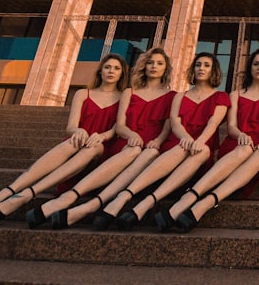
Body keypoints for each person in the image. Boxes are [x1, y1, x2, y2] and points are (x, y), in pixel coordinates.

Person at [0, 54, 127, 225]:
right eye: (107, 67)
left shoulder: (124, 97)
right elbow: (70, 126)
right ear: (100, 71)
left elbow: (116, 130)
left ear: (122, 73)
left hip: (101, 151)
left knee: (92, 147)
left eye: (116, 68)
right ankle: (4, 195)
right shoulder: (83, 93)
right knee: (71, 141)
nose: (111, 71)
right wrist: (79, 131)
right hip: (77, 146)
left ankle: (27, 194)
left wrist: (100, 136)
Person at [25, 48, 176, 229]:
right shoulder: (130, 92)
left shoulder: (173, 96)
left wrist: (157, 142)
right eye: (151, 62)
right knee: (133, 150)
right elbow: (120, 126)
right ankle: (73, 196)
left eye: (160, 63)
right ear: (144, 66)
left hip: (151, 145)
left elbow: (167, 129)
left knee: (149, 153)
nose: (154, 66)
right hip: (126, 142)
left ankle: (84, 202)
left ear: (165, 69)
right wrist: (132, 135)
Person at [155, 49, 259, 232]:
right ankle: (190, 199)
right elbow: (232, 127)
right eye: (256, 63)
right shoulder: (235, 94)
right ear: (249, 67)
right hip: (235, 146)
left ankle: (203, 204)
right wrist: (241, 135)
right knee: (244, 149)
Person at [91, 52, 230, 231]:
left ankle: (146, 202)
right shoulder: (179, 96)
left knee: (201, 150)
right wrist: (186, 138)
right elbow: (175, 122)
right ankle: (125, 198)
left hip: (199, 152)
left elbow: (213, 123)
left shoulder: (221, 97)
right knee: (180, 148)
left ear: (214, 71)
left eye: (206, 65)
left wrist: (199, 140)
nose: (201, 68)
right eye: (198, 65)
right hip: (174, 147)